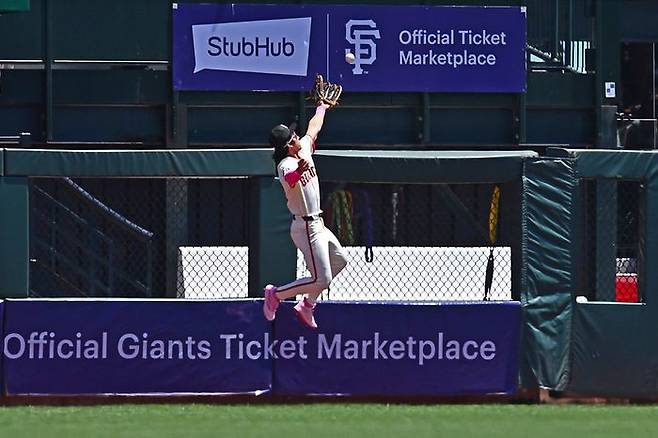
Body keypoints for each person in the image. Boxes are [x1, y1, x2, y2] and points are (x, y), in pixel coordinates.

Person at [263, 102, 348, 329]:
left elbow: (314, 129)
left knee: (339, 261)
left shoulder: (303, 150)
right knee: (322, 279)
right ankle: (276, 295)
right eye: (292, 139)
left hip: (318, 224)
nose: (296, 138)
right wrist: (300, 169)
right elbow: (291, 178)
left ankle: (307, 304)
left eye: (294, 135)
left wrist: (322, 108)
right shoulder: (285, 164)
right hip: (305, 227)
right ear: (286, 146)